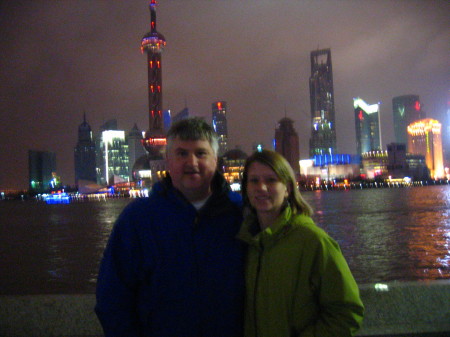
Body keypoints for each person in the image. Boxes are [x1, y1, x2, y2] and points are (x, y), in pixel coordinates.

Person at [95, 117, 245, 337]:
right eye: (182, 153)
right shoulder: (138, 219)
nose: (191, 162)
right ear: (167, 160)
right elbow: (112, 296)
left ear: (215, 159)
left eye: (201, 153)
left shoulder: (242, 214)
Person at [238, 150, 364, 337]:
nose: (261, 188)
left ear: (288, 188)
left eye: (271, 180)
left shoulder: (314, 241)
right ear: (246, 188)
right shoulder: (246, 243)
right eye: (254, 180)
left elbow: (346, 313)